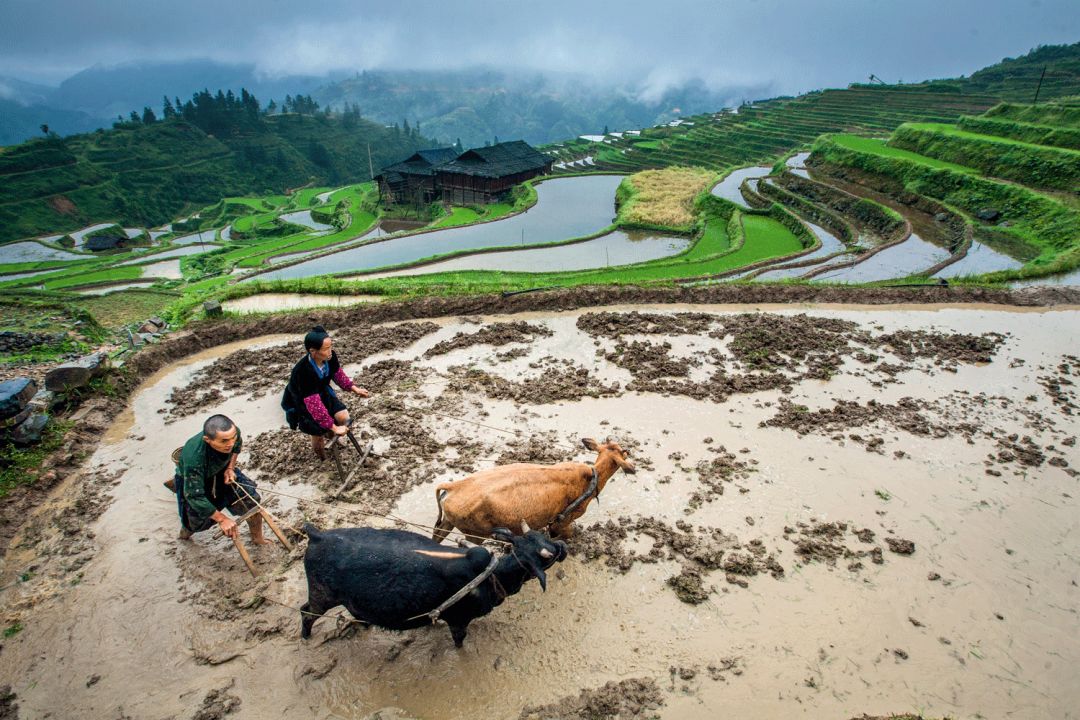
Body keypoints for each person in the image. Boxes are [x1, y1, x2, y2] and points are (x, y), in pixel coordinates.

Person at [169, 414, 268, 544]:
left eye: (233, 438)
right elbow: (194, 496)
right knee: (195, 523)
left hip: (222, 471)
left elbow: (236, 447)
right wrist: (222, 519)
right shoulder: (194, 459)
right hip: (198, 481)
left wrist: (230, 468)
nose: (230, 443)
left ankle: (258, 539)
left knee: (250, 500)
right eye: (224, 441)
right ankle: (183, 538)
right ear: (207, 440)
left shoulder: (232, 433)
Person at [282, 325, 371, 459]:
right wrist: (334, 427)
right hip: (304, 401)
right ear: (313, 351)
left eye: (331, 347)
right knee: (318, 431)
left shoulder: (330, 357)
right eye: (326, 349)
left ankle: (333, 436)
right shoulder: (303, 372)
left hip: (322, 391)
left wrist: (354, 388)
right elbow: (314, 405)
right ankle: (322, 458)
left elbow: (337, 374)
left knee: (343, 416)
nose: (330, 351)